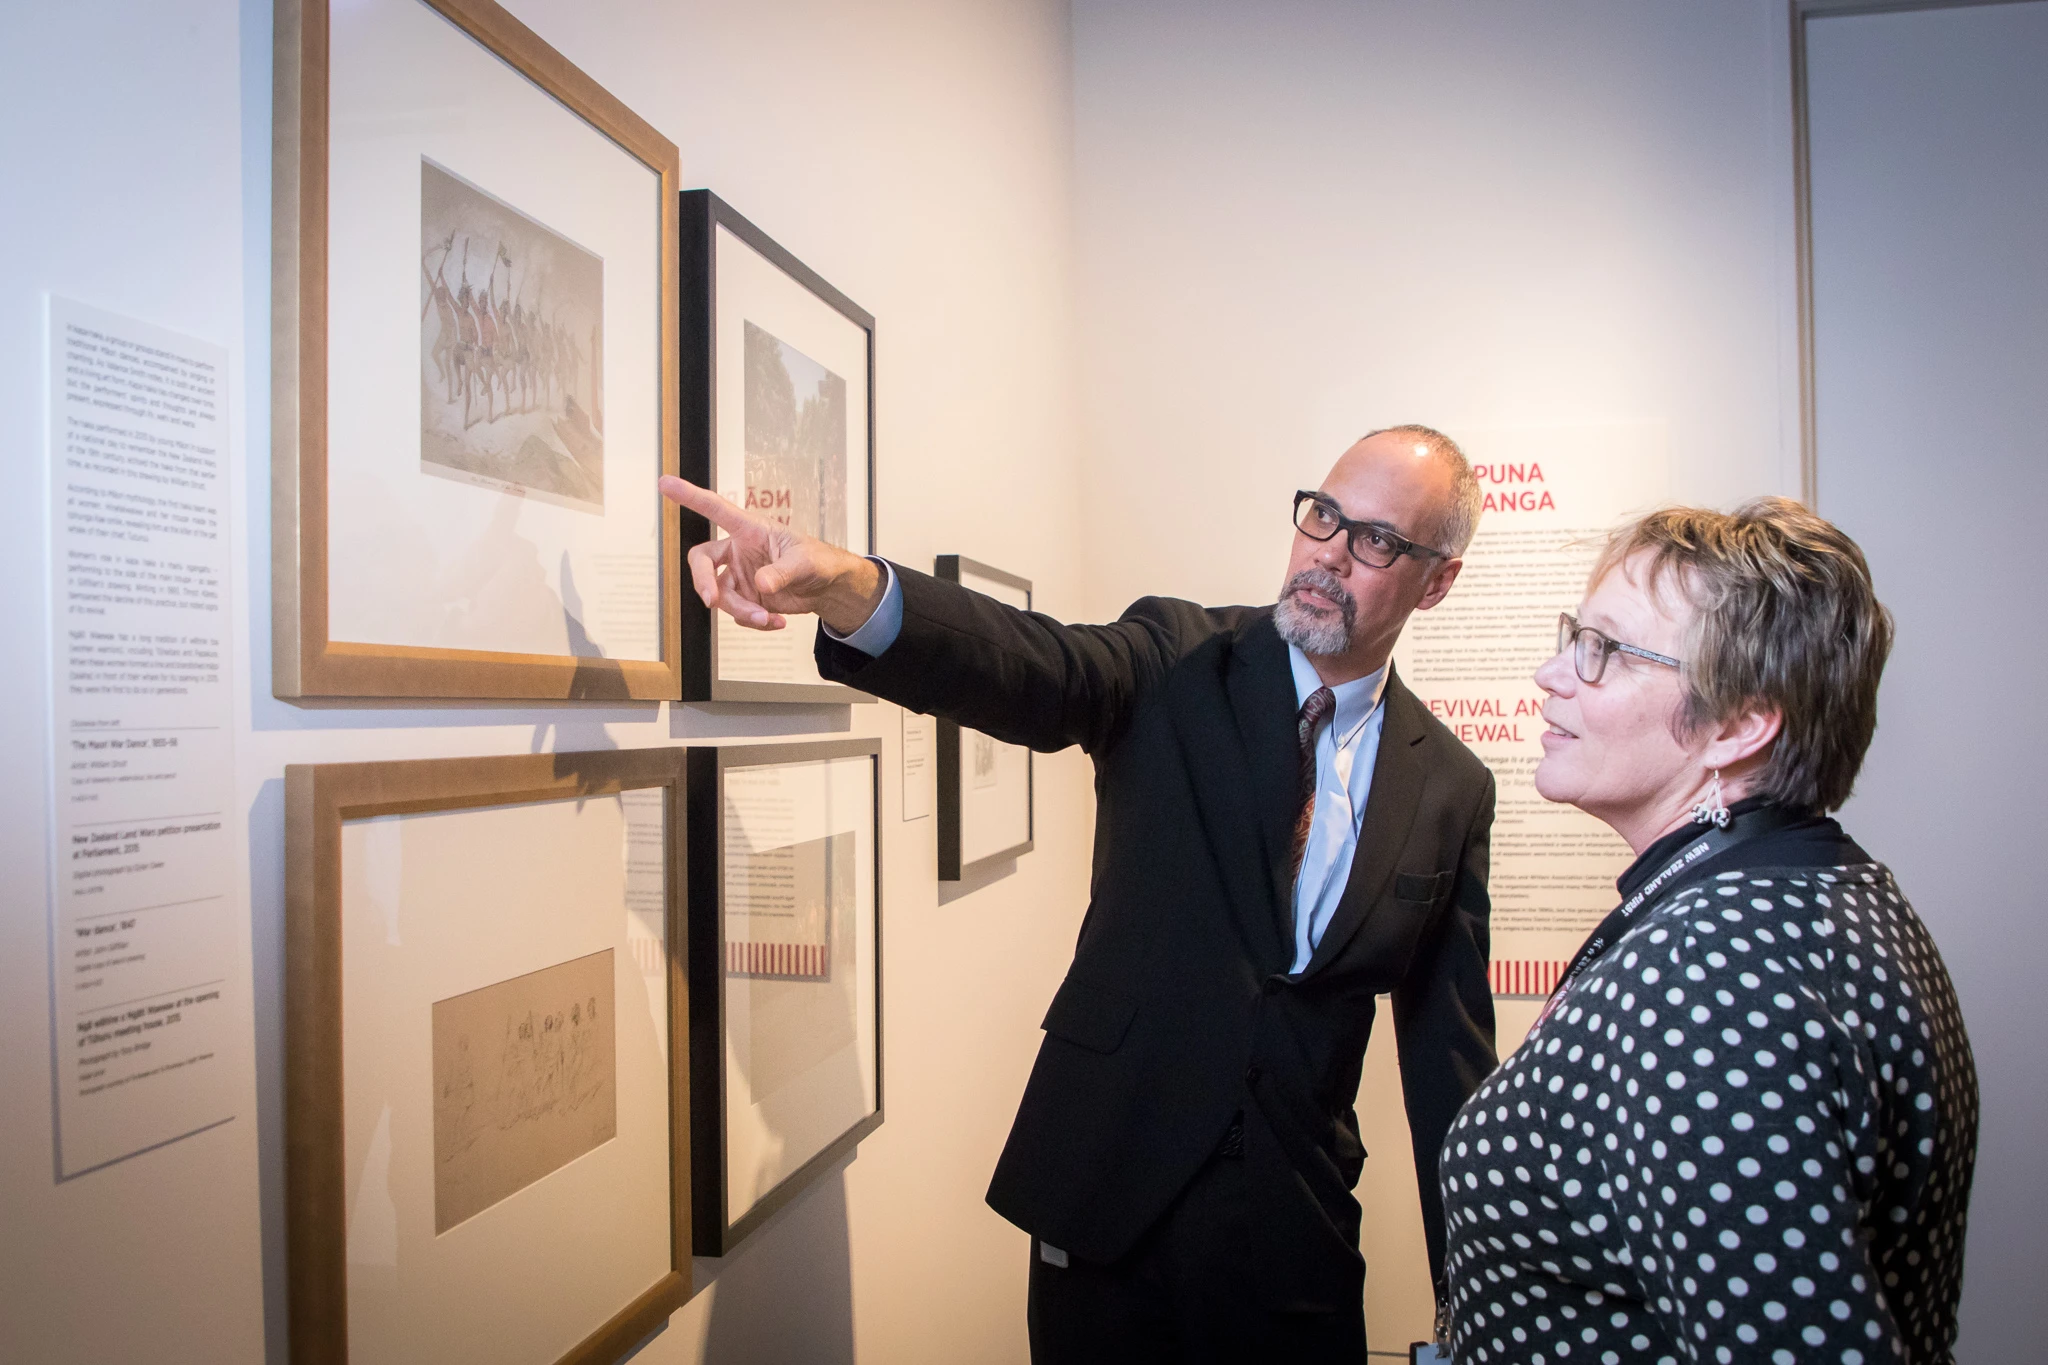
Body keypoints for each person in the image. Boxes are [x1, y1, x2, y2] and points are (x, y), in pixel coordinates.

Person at [661, 425, 1500, 1361]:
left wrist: (1480, 1303)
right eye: (1323, 516)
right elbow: (1036, 664)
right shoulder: (1181, 658)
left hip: (1293, 1239)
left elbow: (1450, 1073)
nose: (1328, 553)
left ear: (1438, 579)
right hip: (1107, 1204)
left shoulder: (1451, 788)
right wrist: (848, 585)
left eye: (1376, 540)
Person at [1438, 499, 1978, 1365]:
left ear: (1738, 723)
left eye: (1603, 650)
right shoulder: (1839, 894)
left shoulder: (1705, 969)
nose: (1552, 673)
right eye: (1575, 635)